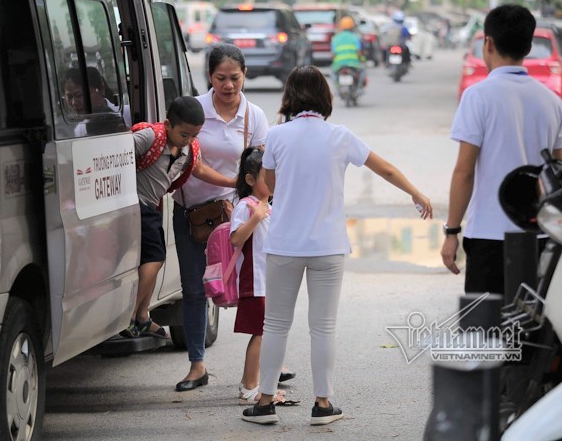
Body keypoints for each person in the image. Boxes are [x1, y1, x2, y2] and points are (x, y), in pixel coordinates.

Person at [241, 65, 433, 426]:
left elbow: (272, 185)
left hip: (284, 244)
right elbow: (385, 168)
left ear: (289, 96)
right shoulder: (340, 136)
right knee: (323, 326)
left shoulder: (277, 136)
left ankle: (265, 403)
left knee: (276, 324)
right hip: (327, 245)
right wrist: (416, 193)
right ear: (325, 97)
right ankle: (323, 404)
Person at [440, 4, 562, 295]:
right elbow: (557, 175)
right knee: (529, 320)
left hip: (488, 236)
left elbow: (464, 172)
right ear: (529, 46)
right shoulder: (552, 102)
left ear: (488, 43)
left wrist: (452, 231)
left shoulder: (477, 97)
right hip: (539, 236)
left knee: (485, 321)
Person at [171, 43, 270, 392]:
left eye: (235, 78)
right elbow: (191, 163)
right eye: (220, 78)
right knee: (194, 289)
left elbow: (262, 168)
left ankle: (266, 361)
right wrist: (232, 182)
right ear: (210, 77)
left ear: (245, 75)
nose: (228, 85)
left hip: (236, 216)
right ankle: (197, 365)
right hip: (193, 215)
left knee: (253, 288)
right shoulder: (195, 110)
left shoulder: (255, 116)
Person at [124, 96, 236, 339]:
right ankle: (129, 317)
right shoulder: (150, 137)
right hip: (135, 205)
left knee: (155, 258)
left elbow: (200, 169)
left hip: (151, 207)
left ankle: (142, 316)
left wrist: (231, 182)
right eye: (184, 134)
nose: (189, 140)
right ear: (168, 125)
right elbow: (116, 157)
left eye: (195, 135)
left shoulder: (189, 150)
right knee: (155, 258)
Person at [230, 147, 292, 404]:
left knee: (265, 333)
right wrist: (255, 218)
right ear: (250, 179)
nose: (273, 181)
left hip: (269, 281)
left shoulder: (268, 206)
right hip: (255, 280)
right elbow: (236, 239)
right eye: (268, 177)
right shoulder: (246, 206)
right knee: (261, 333)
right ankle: (249, 386)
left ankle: (258, 385)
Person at [61, 66, 124, 136]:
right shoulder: (80, 129)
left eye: (79, 95)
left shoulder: (126, 113)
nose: (74, 103)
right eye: (69, 97)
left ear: (101, 89)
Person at [330, 15, 365, 91]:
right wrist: (362, 59)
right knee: (362, 71)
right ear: (352, 26)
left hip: (339, 65)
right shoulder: (355, 37)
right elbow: (359, 53)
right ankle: (359, 89)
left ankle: (337, 89)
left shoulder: (335, 38)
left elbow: (333, 55)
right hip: (354, 64)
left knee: (332, 73)